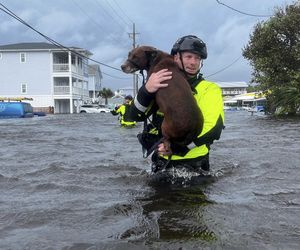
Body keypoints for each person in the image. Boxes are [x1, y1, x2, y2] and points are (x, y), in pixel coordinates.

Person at [128, 35, 224, 174]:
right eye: (189, 57)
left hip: (194, 163)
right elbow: (134, 116)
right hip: (161, 161)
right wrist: (146, 90)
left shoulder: (209, 88)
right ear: (176, 57)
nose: (193, 62)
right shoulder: (158, 82)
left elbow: (213, 129)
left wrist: (178, 148)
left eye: (197, 58)